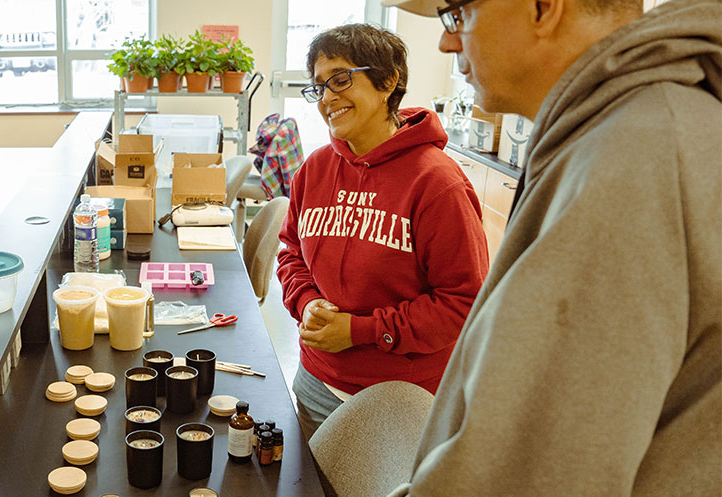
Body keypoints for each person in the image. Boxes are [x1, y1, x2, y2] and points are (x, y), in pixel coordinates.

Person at [376, 0, 721, 493]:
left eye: (457, 14)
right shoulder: (630, 129)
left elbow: (527, 474)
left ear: (543, 8)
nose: (445, 41)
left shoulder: (633, 160)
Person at [276, 24, 490, 440]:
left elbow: (461, 304)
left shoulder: (437, 184)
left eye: (340, 79)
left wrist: (360, 331)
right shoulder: (315, 170)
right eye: (319, 87)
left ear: (388, 81)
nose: (327, 98)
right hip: (315, 382)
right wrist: (306, 302)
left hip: (401, 400)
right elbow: (291, 253)